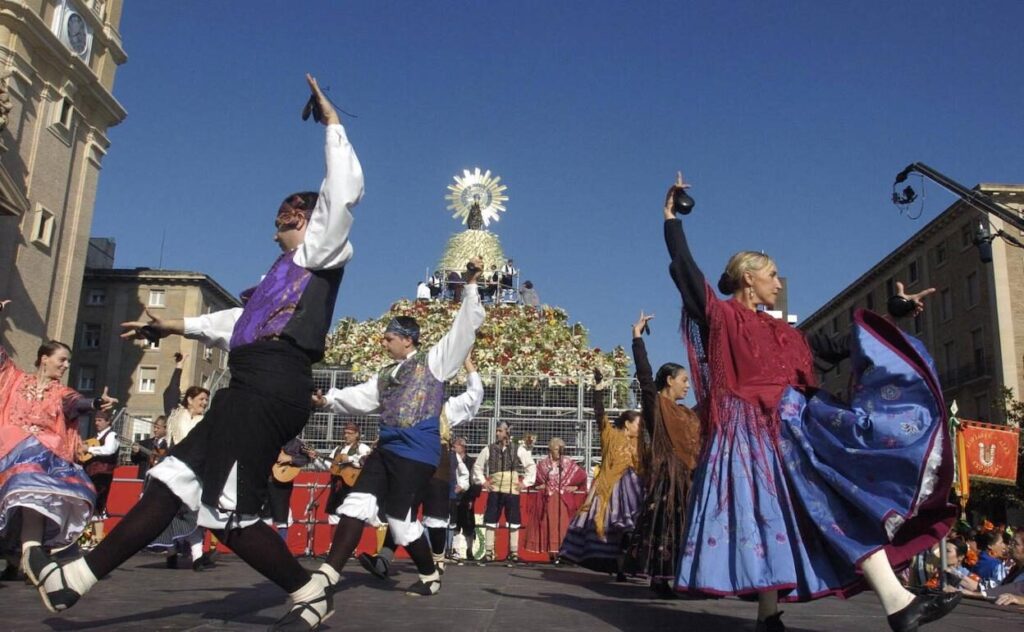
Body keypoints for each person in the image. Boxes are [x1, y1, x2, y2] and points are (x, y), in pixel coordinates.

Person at [29, 75, 363, 631]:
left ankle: (308, 588)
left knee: (229, 512)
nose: (275, 232)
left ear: (300, 220)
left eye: (282, 223)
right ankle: (75, 580)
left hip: (270, 386)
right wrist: (172, 323)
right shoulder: (279, 278)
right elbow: (234, 321)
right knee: (171, 482)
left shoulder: (320, 250)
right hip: (251, 384)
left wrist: (332, 124)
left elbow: (344, 191)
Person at [660, 174, 960, 632]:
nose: (778, 283)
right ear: (748, 277)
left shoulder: (786, 333)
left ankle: (797, 613)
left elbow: (841, 343)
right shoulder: (722, 318)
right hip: (752, 435)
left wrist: (894, 314)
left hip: (795, 429)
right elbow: (687, 275)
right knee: (790, 515)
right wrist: (671, 222)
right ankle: (886, 604)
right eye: (772, 274)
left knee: (802, 513)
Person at [316, 258, 485, 597]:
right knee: (356, 504)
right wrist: (328, 399)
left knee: (399, 519)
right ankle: (327, 573)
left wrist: (470, 284)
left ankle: (429, 575)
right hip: (387, 449)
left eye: (389, 337)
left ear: (408, 340)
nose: (384, 342)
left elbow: (463, 330)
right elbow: (362, 397)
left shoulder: (434, 361)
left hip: (417, 453)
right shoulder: (386, 375)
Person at [0, 299, 117, 579]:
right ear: (44, 358)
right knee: (20, 505)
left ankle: (31, 558)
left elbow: (77, 403)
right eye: (61, 360)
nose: (65, 366)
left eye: (67, 362)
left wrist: (97, 402)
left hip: (39, 456)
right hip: (8, 451)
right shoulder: (14, 378)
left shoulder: (60, 392)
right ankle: (18, 559)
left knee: (34, 502)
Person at [358, 355, 484, 579]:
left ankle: (437, 560)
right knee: (401, 510)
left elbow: (474, 396)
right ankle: (384, 559)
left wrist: (467, 363)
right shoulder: (408, 403)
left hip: (436, 460)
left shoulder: (448, 407)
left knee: (435, 515)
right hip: (409, 458)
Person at [627, 311, 701, 597]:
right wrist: (637, 337)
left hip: (689, 475)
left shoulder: (686, 413)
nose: (688, 385)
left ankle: (687, 577)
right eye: (684, 379)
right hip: (666, 478)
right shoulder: (655, 405)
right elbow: (645, 375)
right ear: (670, 380)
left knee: (687, 527)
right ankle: (660, 579)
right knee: (664, 527)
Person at [559, 375, 644, 580]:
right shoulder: (610, 435)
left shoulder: (641, 444)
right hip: (611, 490)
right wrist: (598, 389)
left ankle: (628, 567)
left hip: (634, 491)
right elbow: (599, 414)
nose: (640, 428)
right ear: (627, 423)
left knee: (631, 531)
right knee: (614, 530)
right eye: (638, 423)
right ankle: (619, 568)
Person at [150, 383, 213, 572]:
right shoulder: (176, 416)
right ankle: (171, 553)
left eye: (206, 400)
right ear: (190, 400)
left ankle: (197, 557)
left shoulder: (205, 421)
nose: (204, 403)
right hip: (173, 469)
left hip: (194, 473)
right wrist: (178, 368)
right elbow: (169, 394)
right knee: (169, 514)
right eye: (201, 399)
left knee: (192, 514)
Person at [473, 422, 537, 565]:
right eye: (497, 430)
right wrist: (484, 481)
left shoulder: (517, 449)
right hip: (495, 490)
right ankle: (489, 552)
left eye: (500, 430)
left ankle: (513, 553)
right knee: (491, 519)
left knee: (513, 521)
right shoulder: (489, 449)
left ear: (507, 432)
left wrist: (524, 483)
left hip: (512, 490)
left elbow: (530, 466)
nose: (497, 433)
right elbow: (477, 466)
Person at [524, 437, 586, 563]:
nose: (559, 452)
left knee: (563, 526)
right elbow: (533, 479)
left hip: (563, 501)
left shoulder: (568, 463)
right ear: (550, 449)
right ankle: (552, 554)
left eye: (561, 449)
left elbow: (583, 476)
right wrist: (539, 486)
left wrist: (575, 486)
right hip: (548, 500)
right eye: (557, 449)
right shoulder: (543, 464)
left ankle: (564, 553)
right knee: (549, 526)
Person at [264, 437, 315, 542]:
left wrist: (291, 459)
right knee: (263, 514)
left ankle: (281, 549)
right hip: (263, 479)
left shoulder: (295, 443)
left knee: (282, 514)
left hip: (281, 482)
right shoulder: (265, 436)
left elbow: (306, 458)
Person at [80, 409, 120, 542]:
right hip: (91, 474)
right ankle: (91, 539)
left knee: (96, 507)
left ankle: (93, 539)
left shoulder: (111, 435)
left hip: (102, 475)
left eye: (100, 420)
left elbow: (109, 450)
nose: (96, 423)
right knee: (91, 507)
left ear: (108, 422)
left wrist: (89, 449)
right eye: (96, 420)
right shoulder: (95, 438)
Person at [322, 423, 372, 522]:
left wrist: (349, 458)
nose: (346, 436)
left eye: (350, 433)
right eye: (345, 433)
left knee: (350, 517)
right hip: (337, 489)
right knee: (334, 518)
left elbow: (368, 462)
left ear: (357, 434)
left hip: (352, 488)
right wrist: (316, 459)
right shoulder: (338, 449)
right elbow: (329, 466)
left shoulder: (362, 448)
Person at [448, 436, 477, 564]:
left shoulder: (471, 462)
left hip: (467, 498)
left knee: (469, 525)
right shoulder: (451, 459)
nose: (454, 448)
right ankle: (454, 550)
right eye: (453, 446)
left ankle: (469, 550)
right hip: (454, 498)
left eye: (456, 446)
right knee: (454, 524)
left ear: (463, 447)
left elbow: (475, 481)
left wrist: (472, 498)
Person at [130, 416, 168, 480]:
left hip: (161, 480)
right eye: (154, 427)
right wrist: (135, 452)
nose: (155, 430)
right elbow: (135, 461)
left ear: (165, 429)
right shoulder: (144, 443)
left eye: (158, 428)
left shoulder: (170, 445)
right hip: (145, 480)